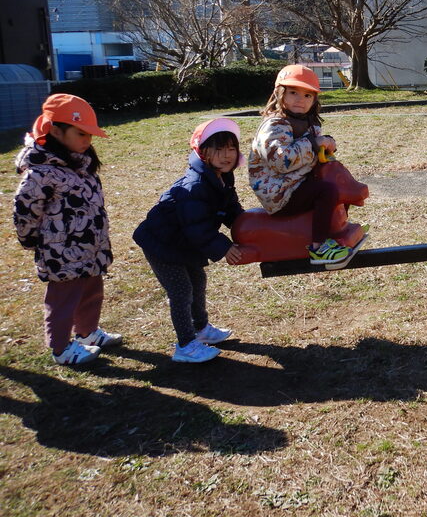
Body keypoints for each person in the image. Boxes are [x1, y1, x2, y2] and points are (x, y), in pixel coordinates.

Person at [13, 94, 121, 366]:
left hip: (90, 247)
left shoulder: (82, 163)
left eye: (90, 134)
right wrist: (30, 240)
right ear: (56, 131)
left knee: (92, 292)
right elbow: (25, 209)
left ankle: (87, 333)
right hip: (61, 252)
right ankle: (60, 348)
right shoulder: (41, 172)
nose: (87, 140)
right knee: (62, 301)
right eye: (80, 133)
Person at [133, 119, 244, 363]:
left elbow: (230, 208)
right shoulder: (195, 186)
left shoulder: (222, 178)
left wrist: (246, 226)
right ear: (202, 152)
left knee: (198, 281)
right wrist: (225, 247)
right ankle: (185, 344)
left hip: (185, 242)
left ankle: (201, 328)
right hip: (163, 243)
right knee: (181, 291)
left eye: (231, 148)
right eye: (218, 149)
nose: (226, 155)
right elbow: (198, 228)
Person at [249, 64, 365, 265]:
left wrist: (328, 144)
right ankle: (319, 247)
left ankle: (338, 227)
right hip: (279, 192)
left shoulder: (308, 123)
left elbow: (314, 147)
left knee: (333, 185)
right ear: (279, 94)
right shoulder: (275, 125)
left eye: (307, 96)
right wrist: (313, 143)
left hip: (296, 183)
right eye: (293, 92)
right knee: (325, 191)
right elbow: (280, 161)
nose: (300, 100)